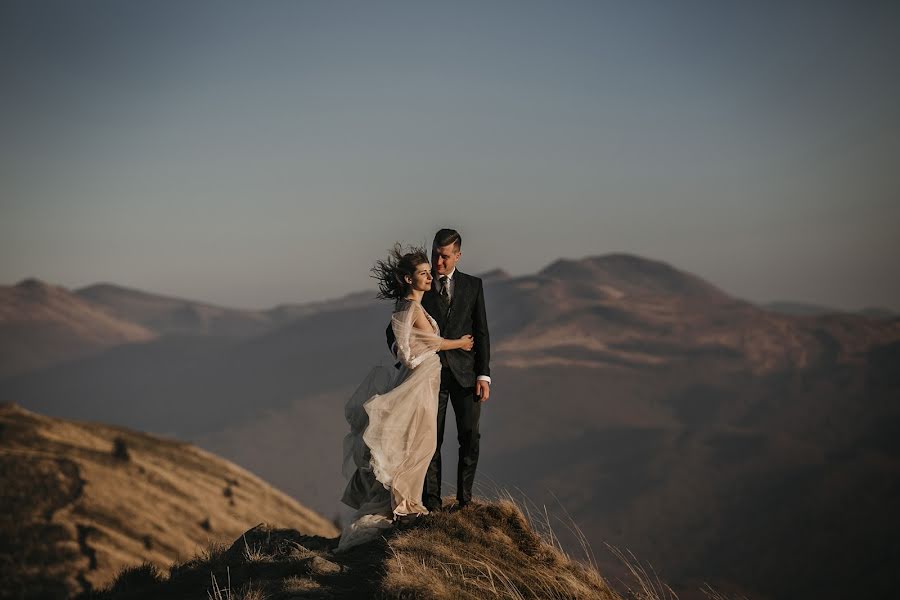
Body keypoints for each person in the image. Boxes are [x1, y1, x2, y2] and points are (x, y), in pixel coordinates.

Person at [337, 244, 474, 552]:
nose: (429, 277)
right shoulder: (410, 307)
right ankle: (405, 504)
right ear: (409, 279)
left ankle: (406, 501)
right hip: (420, 380)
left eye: (429, 273)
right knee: (419, 442)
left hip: (425, 378)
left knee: (418, 442)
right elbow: (421, 348)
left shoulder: (409, 306)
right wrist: (462, 343)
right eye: (423, 274)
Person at [386, 228, 491, 512]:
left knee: (470, 436)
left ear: (457, 256)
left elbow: (481, 332)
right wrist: (407, 356)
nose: (438, 262)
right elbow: (394, 328)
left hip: (467, 376)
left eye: (444, 256)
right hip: (429, 378)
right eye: (435, 254)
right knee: (430, 440)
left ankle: (464, 501)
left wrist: (484, 375)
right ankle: (432, 504)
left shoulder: (473, 285)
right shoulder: (423, 285)